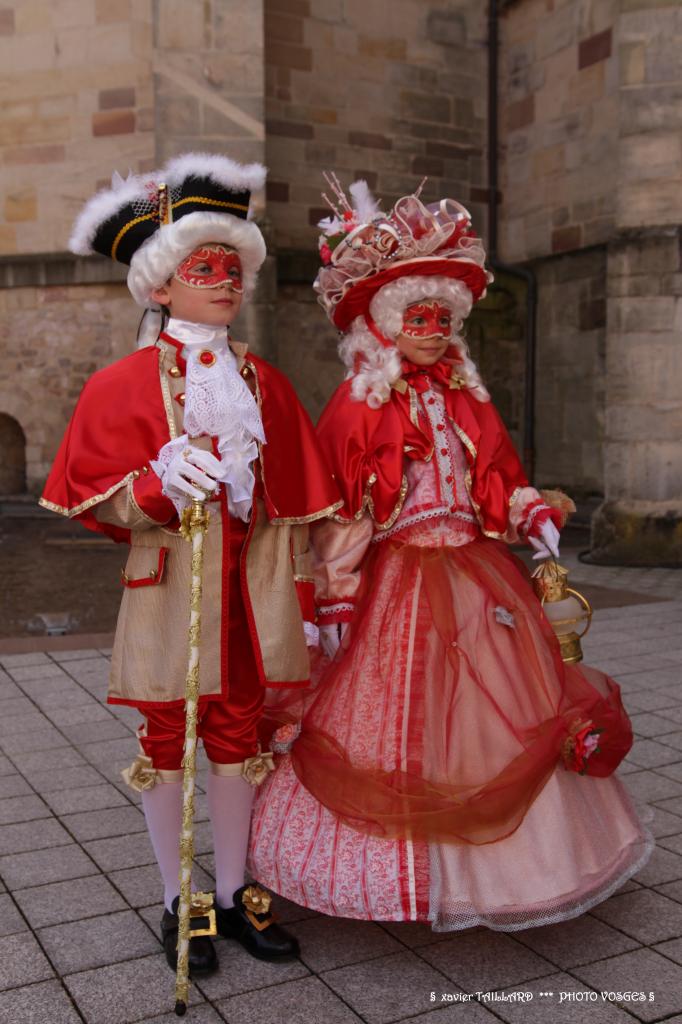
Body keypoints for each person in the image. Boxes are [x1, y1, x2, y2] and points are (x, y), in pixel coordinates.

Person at [249, 177, 652, 931]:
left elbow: (495, 472)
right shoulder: (356, 406)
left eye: (443, 318)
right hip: (397, 582)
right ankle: (391, 878)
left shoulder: (466, 395)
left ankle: (530, 869)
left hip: (475, 570)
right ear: (384, 325)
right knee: (398, 719)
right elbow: (340, 515)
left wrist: (526, 511)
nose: (433, 331)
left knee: (505, 707)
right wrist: (334, 603)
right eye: (418, 317)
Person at [40, 153, 341, 972]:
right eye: (205, 268)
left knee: (242, 734)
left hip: (252, 592)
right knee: (170, 736)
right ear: (160, 286)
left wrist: (316, 602)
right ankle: (181, 902)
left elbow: (301, 507)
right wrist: (158, 481)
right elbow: (97, 503)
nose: (226, 282)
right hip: (174, 586)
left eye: (233, 268)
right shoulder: (121, 385)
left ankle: (239, 892)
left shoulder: (267, 383)